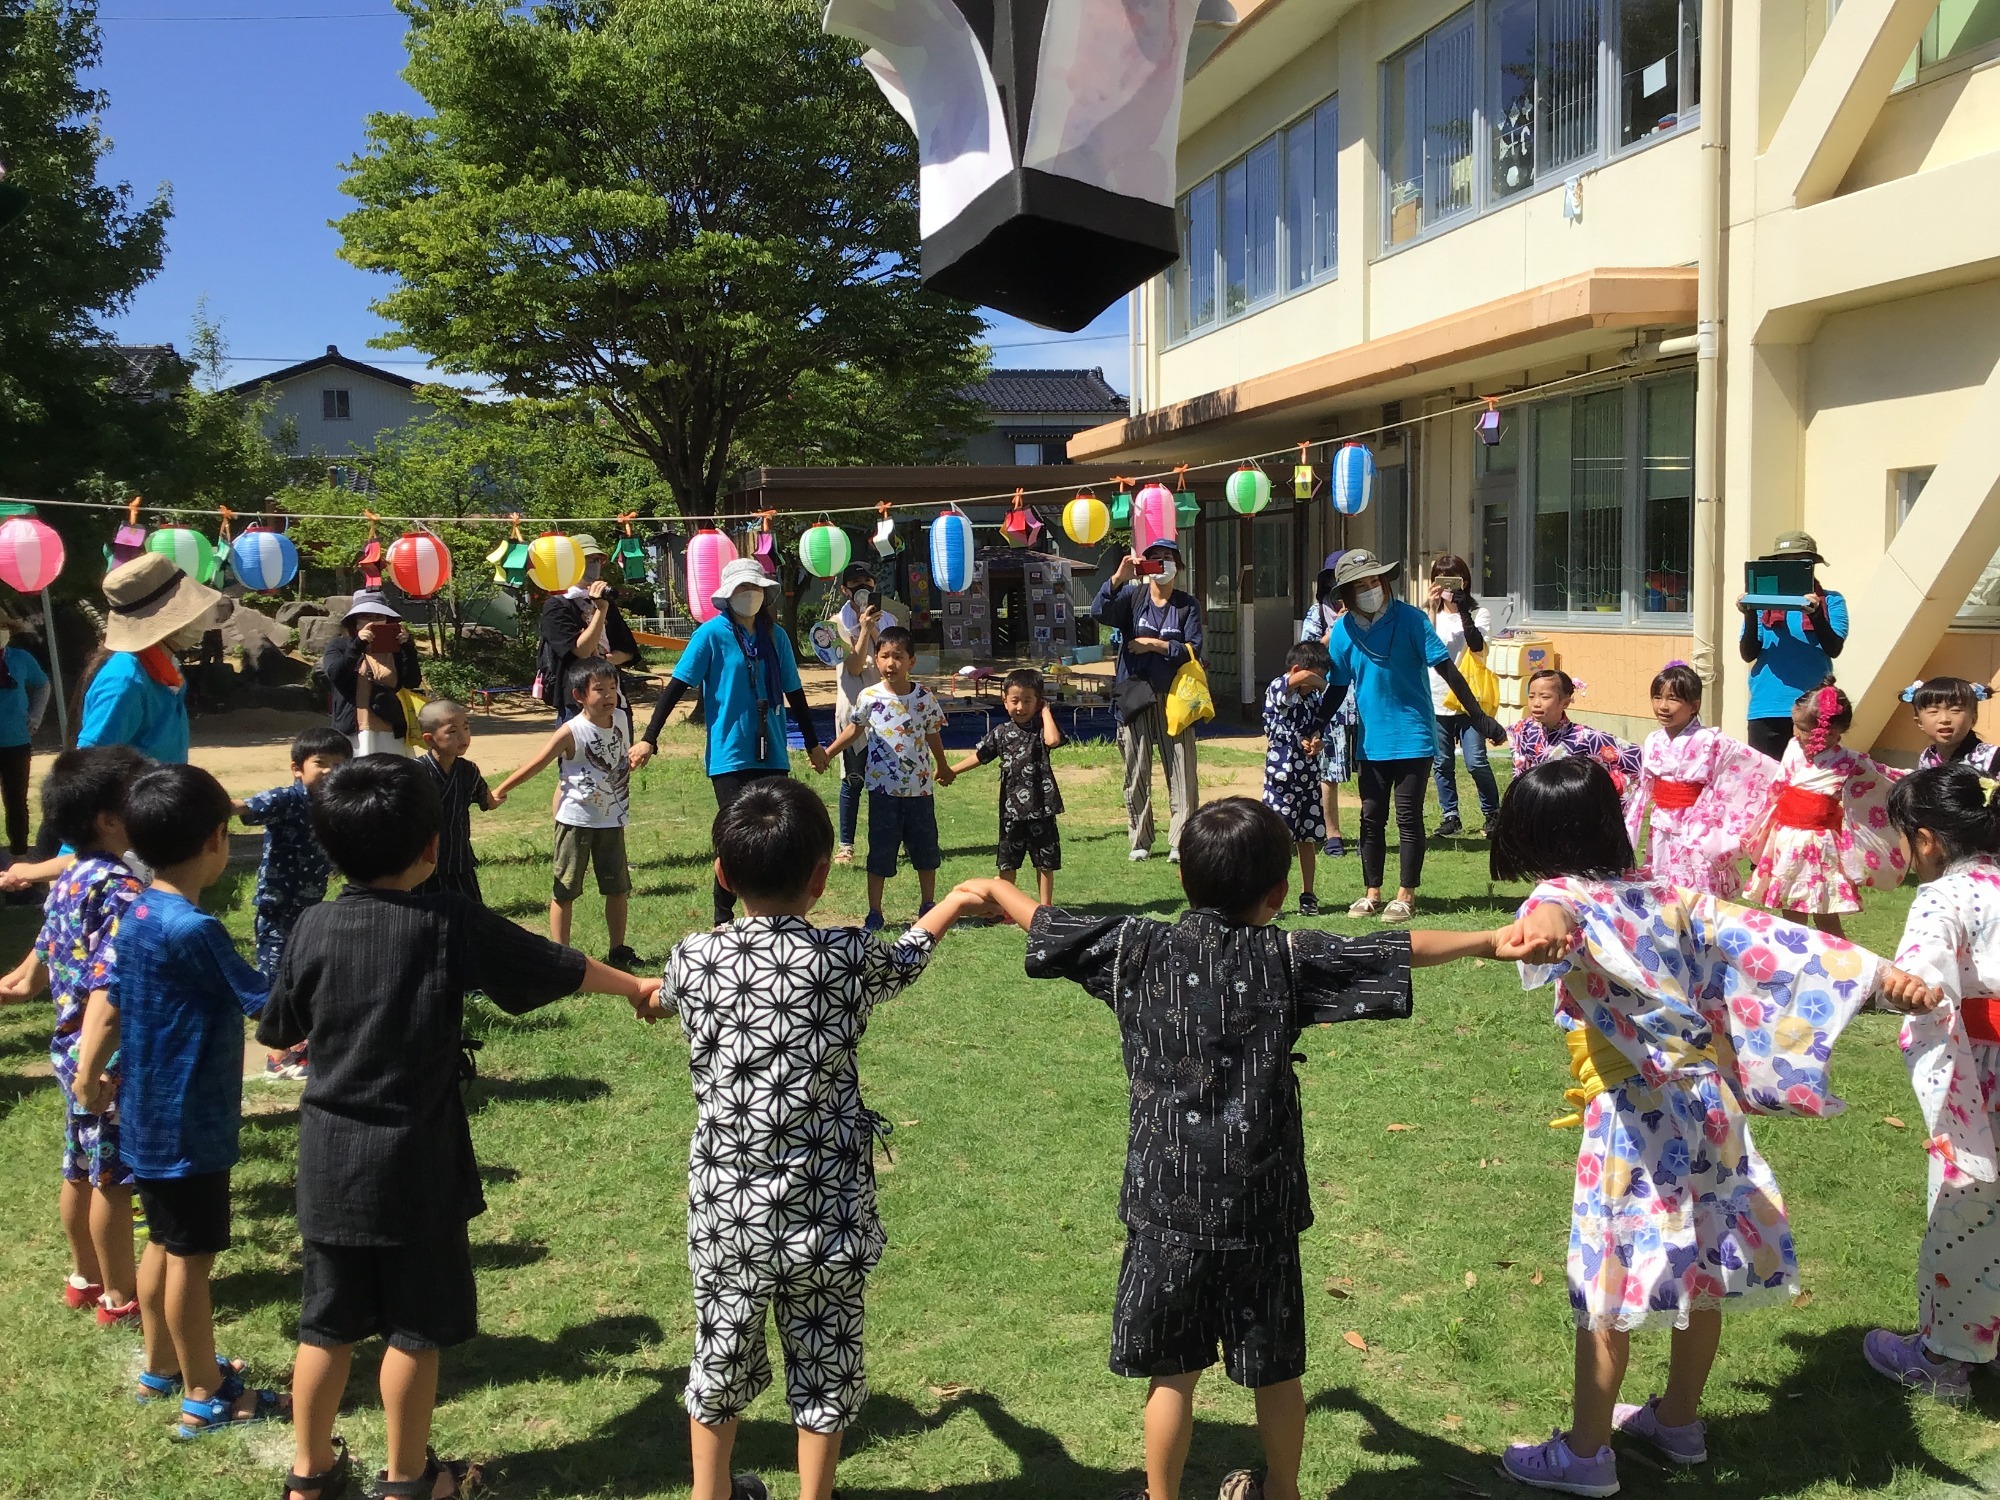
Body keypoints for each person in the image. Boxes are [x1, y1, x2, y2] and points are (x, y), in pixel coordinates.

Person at [965, 798, 1515, 1500]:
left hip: (1168, 1204)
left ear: (1186, 879)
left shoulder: (1139, 948)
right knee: (1278, 1371)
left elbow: (1049, 923)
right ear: (1278, 891)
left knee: (1174, 1377)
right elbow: (1389, 949)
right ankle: (1282, 1490)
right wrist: (1492, 939)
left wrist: (991, 889)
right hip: (1262, 1206)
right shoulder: (1287, 957)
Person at [1488, 758, 1935, 1496]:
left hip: (1633, 1119)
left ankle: (1587, 1452)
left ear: (1535, 833)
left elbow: (1554, 917)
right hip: (1706, 1106)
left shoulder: (1561, 894)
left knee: (1609, 1279)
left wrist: (1542, 930)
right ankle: (1678, 1421)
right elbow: (1773, 940)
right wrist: (1878, 977)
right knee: (1704, 1261)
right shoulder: (1663, 891)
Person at [258, 755, 660, 1500]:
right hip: (418, 1163)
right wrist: (635, 984)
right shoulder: (447, 921)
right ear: (431, 847)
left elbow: (278, 1028)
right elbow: (554, 962)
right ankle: (409, 1482)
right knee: (414, 1327)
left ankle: (308, 1478)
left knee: (326, 1324)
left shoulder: (312, 925)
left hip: (328, 1163)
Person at [662, 778, 985, 1500]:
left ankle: (707, 1494)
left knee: (718, 1364)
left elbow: (666, 996)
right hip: (827, 1215)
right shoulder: (844, 957)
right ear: (818, 877)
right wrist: (955, 902)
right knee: (827, 1369)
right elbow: (905, 955)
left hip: (728, 1217)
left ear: (722, 874)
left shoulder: (693, 959)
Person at [72, 762, 288, 1435]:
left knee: (165, 1242)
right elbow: (269, 1008)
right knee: (193, 1259)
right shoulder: (195, 929)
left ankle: (159, 1368)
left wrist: (89, 1072)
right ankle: (205, 1393)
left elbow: (107, 999)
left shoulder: (137, 909)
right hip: (191, 1123)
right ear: (218, 840)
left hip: (144, 1114)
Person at [1864, 765, 2000, 1403]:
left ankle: (1947, 1356)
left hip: (1983, 1074)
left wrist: (1901, 986)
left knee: (1966, 1203)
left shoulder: (1945, 895)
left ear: (1925, 839)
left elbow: (1920, 965)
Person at [0, 747, 148, 1327]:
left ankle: (84, 1277)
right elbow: (109, 992)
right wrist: (98, 1065)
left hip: (72, 1051)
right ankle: (119, 1295)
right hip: (103, 1057)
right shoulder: (120, 889)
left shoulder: (74, 877)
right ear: (109, 819)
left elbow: (44, 953)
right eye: (138, 797)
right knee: (112, 1177)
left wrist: (24, 980)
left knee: (80, 1166)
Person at [631, 557, 829, 929]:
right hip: (730, 755)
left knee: (777, 834)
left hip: (771, 752)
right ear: (727, 595)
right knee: (736, 838)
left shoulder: (776, 636)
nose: (749, 595)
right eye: (741, 589)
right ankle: (723, 919)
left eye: (754, 588)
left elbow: (794, 692)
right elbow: (676, 687)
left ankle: (775, 912)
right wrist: (649, 739)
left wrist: (814, 744)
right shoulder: (710, 634)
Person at [1315, 549, 1504, 924]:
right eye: (1360, 585)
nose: (1370, 589)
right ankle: (1372, 893)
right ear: (1347, 594)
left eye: (1374, 581)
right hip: (1372, 742)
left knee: (1407, 817)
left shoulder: (1413, 620)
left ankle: (1405, 895)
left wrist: (1479, 717)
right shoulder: (1343, 632)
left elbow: (1449, 671)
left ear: (1385, 582)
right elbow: (1336, 687)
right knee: (1370, 818)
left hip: (1415, 735)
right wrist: (1314, 726)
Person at [491, 659, 638, 970]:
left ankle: (619, 948)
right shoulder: (571, 731)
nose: (609, 695)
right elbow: (538, 763)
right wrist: (500, 790)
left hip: (612, 819)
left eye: (613, 688)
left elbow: (623, 756)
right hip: (576, 820)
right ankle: (559, 955)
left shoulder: (622, 719)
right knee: (565, 889)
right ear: (579, 695)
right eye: (599, 689)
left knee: (618, 888)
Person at [233, 727, 351, 1082]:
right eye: (322, 763)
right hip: (277, 905)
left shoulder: (334, 803)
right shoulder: (287, 798)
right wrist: (207, 804)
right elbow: (245, 807)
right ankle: (277, 1055)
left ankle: (298, 1044)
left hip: (310, 904)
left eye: (339, 764)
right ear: (297, 768)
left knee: (302, 972)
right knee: (275, 976)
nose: (331, 771)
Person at [1743, 681, 1906, 936]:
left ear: (1833, 732)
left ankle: (1838, 963)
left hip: (1819, 846)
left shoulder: (1850, 762)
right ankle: (1795, 956)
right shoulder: (1793, 748)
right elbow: (1778, 787)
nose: (1797, 734)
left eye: (1805, 729)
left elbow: (1887, 778)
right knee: (1790, 906)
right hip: (1787, 837)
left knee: (1825, 912)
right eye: (1796, 726)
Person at [822, 626, 954, 933]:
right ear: (876, 660)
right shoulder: (869, 697)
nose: (890, 663)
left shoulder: (923, 698)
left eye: (898, 656)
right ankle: (875, 912)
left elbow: (934, 734)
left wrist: (943, 766)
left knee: (925, 850)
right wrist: (828, 753)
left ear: (912, 661)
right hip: (883, 790)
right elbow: (853, 730)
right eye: (884, 656)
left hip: (920, 791)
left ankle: (927, 906)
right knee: (880, 851)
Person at [1626, 662, 1782, 900]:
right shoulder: (1653, 739)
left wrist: (1789, 780)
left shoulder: (1711, 740)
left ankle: (1703, 933)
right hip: (1661, 826)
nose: (1663, 706)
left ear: (1694, 705)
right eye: (1657, 697)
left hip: (1697, 827)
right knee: (1663, 886)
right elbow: (1645, 785)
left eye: (1674, 699)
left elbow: (1757, 765)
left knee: (1698, 892)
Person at [1093, 538, 1204, 864]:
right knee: (1136, 768)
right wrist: (1118, 577)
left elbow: (1192, 648)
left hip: (1176, 697)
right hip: (1135, 694)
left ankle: (1180, 840)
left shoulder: (1187, 605)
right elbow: (1100, 612)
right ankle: (1140, 839)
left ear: (1178, 565)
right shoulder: (1133, 596)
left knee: (1182, 769)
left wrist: (1154, 645)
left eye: (1166, 558)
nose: (1161, 564)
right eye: (1153, 559)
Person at [74, 550, 219, 764]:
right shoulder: (125, 681)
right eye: (192, 612)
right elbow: (88, 766)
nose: (201, 618)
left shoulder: (166, 666)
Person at [946, 666, 1065, 907]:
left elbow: (1053, 740)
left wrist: (1045, 713)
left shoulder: (1042, 730)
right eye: (1015, 701)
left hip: (1041, 808)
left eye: (1028, 701)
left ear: (1038, 702)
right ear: (1005, 701)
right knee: (1008, 861)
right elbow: (980, 756)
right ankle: (1005, 906)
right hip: (1011, 810)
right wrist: (951, 771)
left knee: (1044, 861)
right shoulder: (1001, 732)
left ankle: (1046, 907)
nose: (1020, 707)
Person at [1739, 530, 1847, 762]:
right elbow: (1748, 653)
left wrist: (1816, 614)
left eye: (1800, 562)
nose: (1792, 566)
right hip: (1767, 707)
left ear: (1812, 565)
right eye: (1785, 562)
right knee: (1764, 783)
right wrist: (1749, 614)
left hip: (1814, 709)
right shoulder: (1761, 603)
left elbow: (1834, 648)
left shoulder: (1832, 601)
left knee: (1811, 782)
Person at [1424, 554, 1500, 837]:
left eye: (1454, 580)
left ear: (1465, 582)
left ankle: (1492, 813)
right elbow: (1424, 646)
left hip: (1469, 700)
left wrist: (1463, 609)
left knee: (1476, 760)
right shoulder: (1428, 614)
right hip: (1436, 697)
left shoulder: (1480, 613)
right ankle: (1450, 816)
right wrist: (1431, 608)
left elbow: (1478, 645)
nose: (1447, 588)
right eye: (1441, 581)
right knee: (1442, 762)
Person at [1260, 640, 1332, 915]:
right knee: (1278, 842)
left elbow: (1315, 729)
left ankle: (1308, 894)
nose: (1318, 683)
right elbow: (1298, 678)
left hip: (1308, 778)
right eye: (1316, 676)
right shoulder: (1278, 688)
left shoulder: (1312, 697)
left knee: (1308, 839)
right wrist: (1321, 682)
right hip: (1281, 780)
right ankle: (1271, 895)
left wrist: (1316, 742)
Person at [536, 533, 637, 723]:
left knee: (621, 752)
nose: (595, 564)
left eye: (598, 559)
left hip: (615, 701)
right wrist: (601, 610)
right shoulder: (557, 605)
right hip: (577, 703)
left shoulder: (606, 602)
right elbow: (580, 651)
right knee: (580, 752)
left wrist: (605, 660)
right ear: (571, 562)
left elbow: (629, 651)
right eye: (589, 559)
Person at [831, 562, 891, 865]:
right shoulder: (834, 625)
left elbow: (892, 662)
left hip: (889, 713)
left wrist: (875, 625)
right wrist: (863, 629)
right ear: (845, 589)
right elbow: (853, 667)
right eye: (855, 583)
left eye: (867, 581)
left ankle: (889, 841)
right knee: (853, 779)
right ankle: (846, 845)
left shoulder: (889, 618)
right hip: (854, 712)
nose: (862, 587)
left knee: (889, 781)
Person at [1300, 555, 1356, 859]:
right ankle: (1332, 832)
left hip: (1362, 702)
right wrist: (1331, 634)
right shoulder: (1317, 614)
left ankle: (1367, 831)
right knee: (1329, 771)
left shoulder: (1366, 615)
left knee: (1369, 769)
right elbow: (1305, 660)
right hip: (1329, 703)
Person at [321, 591, 422, 757]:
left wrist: (408, 648)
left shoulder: (396, 649)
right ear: (355, 621)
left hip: (392, 729)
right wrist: (358, 645)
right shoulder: (339, 646)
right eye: (366, 616)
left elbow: (412, 681)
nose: (373, 621)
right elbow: (335, 674)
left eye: (378, 616)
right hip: (354, 731)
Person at [414, 698, 496, 903]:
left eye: (466, 728)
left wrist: (498, 797)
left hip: (459, 861)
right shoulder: (415, 773)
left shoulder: (469, 771)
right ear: (429, 738)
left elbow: (488, 801)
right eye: (452, 731)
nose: (463, 736)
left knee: (470, 919)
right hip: (422, 865)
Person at [1507, 669, 1641, 790]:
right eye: (1531, 696)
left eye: (1545, 697)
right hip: (1534, 804)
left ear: (1565, 702)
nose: (1536, 703)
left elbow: (1637, 757)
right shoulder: (1522, 730)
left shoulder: (1585, 737)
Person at [0, 613, 51, 857]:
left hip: (17, 741)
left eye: (2, 627)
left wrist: (36, 715)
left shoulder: (20, 658)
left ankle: (19, 854)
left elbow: (43, 684)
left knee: (16, 801)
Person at [1904, 677, 2000, 772]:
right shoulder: (1927, 757)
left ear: (1973, 718)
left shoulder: (1992, 757)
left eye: (1955, 710)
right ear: (1920, 722)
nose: (1944, 719)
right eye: (1933, 711)